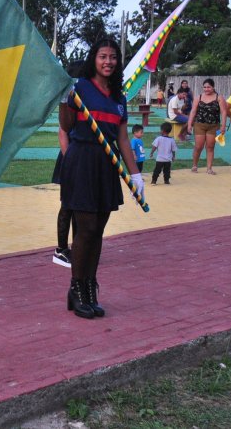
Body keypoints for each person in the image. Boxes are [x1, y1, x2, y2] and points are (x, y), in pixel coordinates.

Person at [58, 39, 144, 320]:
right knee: (86, 228)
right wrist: (63, 97)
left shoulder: (119, 98)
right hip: (81, 160)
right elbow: (66, 126)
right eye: (103, 56)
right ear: (93, 59)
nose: (108, 62)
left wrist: (136, 175)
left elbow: (122, 139)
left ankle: (91, 287)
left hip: (107, 165)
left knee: (98, 231)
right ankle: (77, 288)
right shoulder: (79, 88)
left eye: (113, 57)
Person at [50, 60, 84, 269]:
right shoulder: (70, 93)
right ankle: (61, 250)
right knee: (69, 205)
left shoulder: (90, 93)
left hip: (85, 157)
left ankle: (78, 247)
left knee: (82, 205)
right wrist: (69, 157)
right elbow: (63, 131)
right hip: (72, 157)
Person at [186, 78, 228, 175]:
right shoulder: (199, 97)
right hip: (199, 124)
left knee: (210, 147)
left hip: (214, 126)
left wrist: (223, 125)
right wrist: (189, 124)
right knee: (198, 146)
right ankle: (195, 165)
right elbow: (193, 111)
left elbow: (224, 112)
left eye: (208, 87)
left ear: (213, 87)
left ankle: (209, 168)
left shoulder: (219, 97)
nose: (206, 89)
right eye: (204, 87)